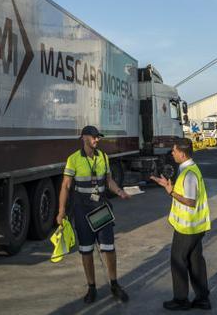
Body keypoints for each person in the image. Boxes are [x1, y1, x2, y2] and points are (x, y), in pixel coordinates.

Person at [56, 125, 131, 304]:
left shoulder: (104, 157)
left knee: (109, 248)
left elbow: (109, 180)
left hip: (100, 207)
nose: (97, 140)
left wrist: (119, 191)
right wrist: (61, 211)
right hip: (82, 209)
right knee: (86, 250)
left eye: (98, 137)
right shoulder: (73, 159)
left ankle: (114, 284)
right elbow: (66, 186)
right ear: (84, 138)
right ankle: (91, 287)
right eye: (94, 137)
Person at [150, 141, 212, 311]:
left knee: (178, 261)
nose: (172, 153)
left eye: (174, 151)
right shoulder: (186, 169)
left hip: (187, 228)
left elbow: (190, 201)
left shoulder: (189, 174)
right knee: (195, 262)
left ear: (182, 154)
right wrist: (168, 186)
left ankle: (181, 300)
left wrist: (171, 192)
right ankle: (202, 299)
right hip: (195, 227)